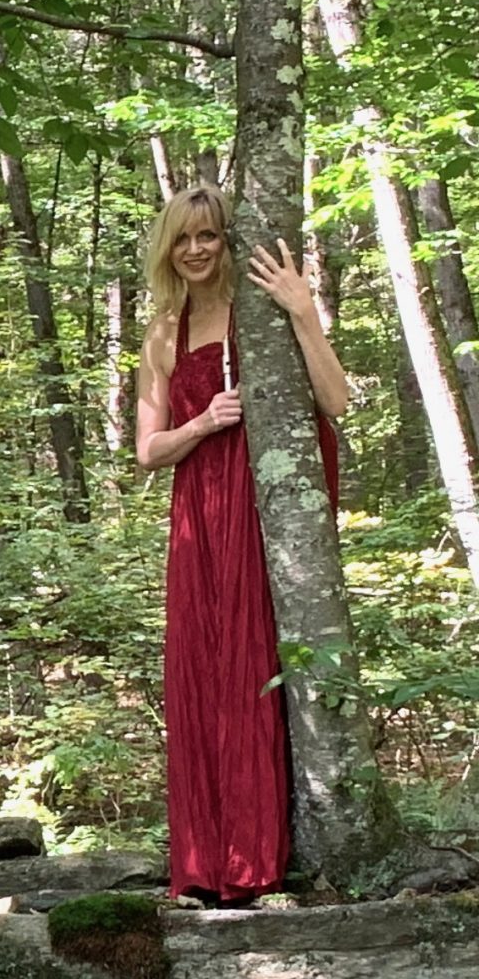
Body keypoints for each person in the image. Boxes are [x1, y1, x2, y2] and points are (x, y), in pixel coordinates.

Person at [134, 183, 347, 902]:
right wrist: (204, 423)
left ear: (230, 240)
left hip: (268, 512)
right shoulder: (165, 330)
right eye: (183, 239)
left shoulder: (263, 308)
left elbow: (337, 401)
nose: (195, 250)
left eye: (210, 236)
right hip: (200, 509)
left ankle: (257, 862)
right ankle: (202, 866)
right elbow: (147, 448)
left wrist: (302, 312)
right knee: (201, 668)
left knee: (256, 668)